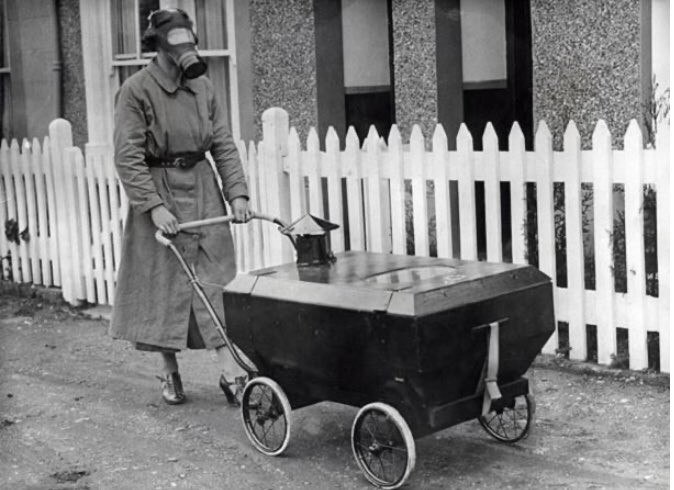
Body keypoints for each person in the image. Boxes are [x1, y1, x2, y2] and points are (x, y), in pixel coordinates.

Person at [109, 8, 251, 406]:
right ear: (158, 47)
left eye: (190, 42)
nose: (185, 52)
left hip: (203, 185)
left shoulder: (203, 87)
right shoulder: (136, 90)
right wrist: (153, 207)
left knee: (216, 277)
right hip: (160, 189)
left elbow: (222, 142)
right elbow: (127, 157)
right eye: (176, 44)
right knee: (161, 282)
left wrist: (237, 192)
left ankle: (230, 370)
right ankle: (167, 369)